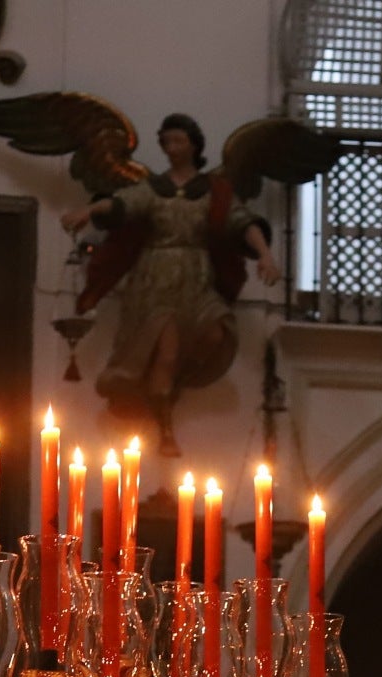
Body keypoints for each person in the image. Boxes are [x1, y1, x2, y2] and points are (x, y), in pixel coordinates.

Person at [60, 112, 282, 454]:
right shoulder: (155, 189)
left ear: (194, 145)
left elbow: (242, 221)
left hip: (197, 278)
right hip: (157, 279)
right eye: (167, 141)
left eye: (179, 141)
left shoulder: (212, 191)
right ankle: (164, 425)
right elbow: (122, 204)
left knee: (216, 332)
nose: (172, 147)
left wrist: (265, 254)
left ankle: (170, 379)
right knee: (166, 349)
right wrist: (86, 213)